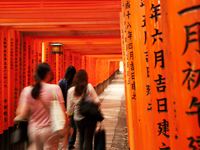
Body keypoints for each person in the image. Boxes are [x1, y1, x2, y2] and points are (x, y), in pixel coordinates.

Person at [16, 62, 68, 150]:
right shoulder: (55, 89)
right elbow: (63, 112)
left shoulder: (27, 90)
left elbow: (22, 113)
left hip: (34, 130)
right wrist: (66, 127)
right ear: (48, 74)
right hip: (51, 130)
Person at [67, 69, 101, 150]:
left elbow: (69, 108)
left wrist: (69, 119)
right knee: (88, 139)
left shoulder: (71, 91)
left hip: (78, 118)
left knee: (81, 137)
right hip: (90, 117)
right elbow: (97, 101)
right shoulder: (89, 87)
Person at [58, 65, 77, 149]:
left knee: (64, 125)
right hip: (73, 107)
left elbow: (58, 94)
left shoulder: (61, 82)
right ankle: (70, 143)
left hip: (63, 106)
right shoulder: (75, 83)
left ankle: (63, 141)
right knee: (73, 125)